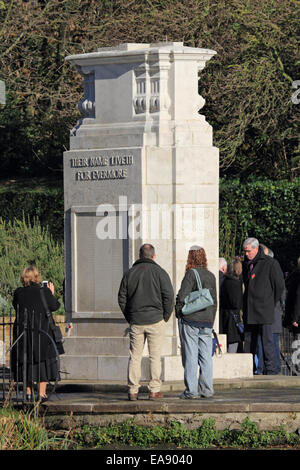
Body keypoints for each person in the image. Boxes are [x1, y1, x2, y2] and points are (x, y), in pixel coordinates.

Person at [118, 244, 174, 401]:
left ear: (139, 255)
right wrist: (165, 316)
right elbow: (168, 296)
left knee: (135, 356)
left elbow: (122, 297)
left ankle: (132, 390)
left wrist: (129, 316)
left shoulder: (129, 273)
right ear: (154, 256)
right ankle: (154, 390)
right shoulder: (160, 273)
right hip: (156, 319)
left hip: (136, 320)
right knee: (155, 356)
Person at [11, 266, 61, 401]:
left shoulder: (18, 293)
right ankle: (41, 393)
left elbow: (15, 306)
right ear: (37, 277)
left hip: (23, 333)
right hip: (40, 333)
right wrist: (51, 293)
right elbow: (56, 306)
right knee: (41, 362)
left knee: (25, 361)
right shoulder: (43, 291)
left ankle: (28, 392)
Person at [175, 246, 217, 399]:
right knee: (206, 356)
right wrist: (211, 320)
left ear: (190, 257)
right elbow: (214, 302)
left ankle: (191, 391)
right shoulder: (212, 275)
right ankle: (207, 389)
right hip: (207, 322)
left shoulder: (190, 274)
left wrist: (179, 312)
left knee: (191, 355)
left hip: (191, 320)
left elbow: (182, 296)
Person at [242, 238, 285, 375]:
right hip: (250, 308)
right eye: (245, 251)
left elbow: (279, 286)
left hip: (265, 308)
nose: (246, 254)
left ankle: (271, 369)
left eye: (249, 251)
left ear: (256, 249)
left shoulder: (270, 263)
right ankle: (249, 368)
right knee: (250, 341)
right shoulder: (246, 264)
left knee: (267, 342)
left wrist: (270, 301)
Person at [220, 259, 244, 353]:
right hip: (233, 319)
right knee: (233, 346)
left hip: (226, 316)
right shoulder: (234, 283)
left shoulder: (225, 281)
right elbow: (236, 303)